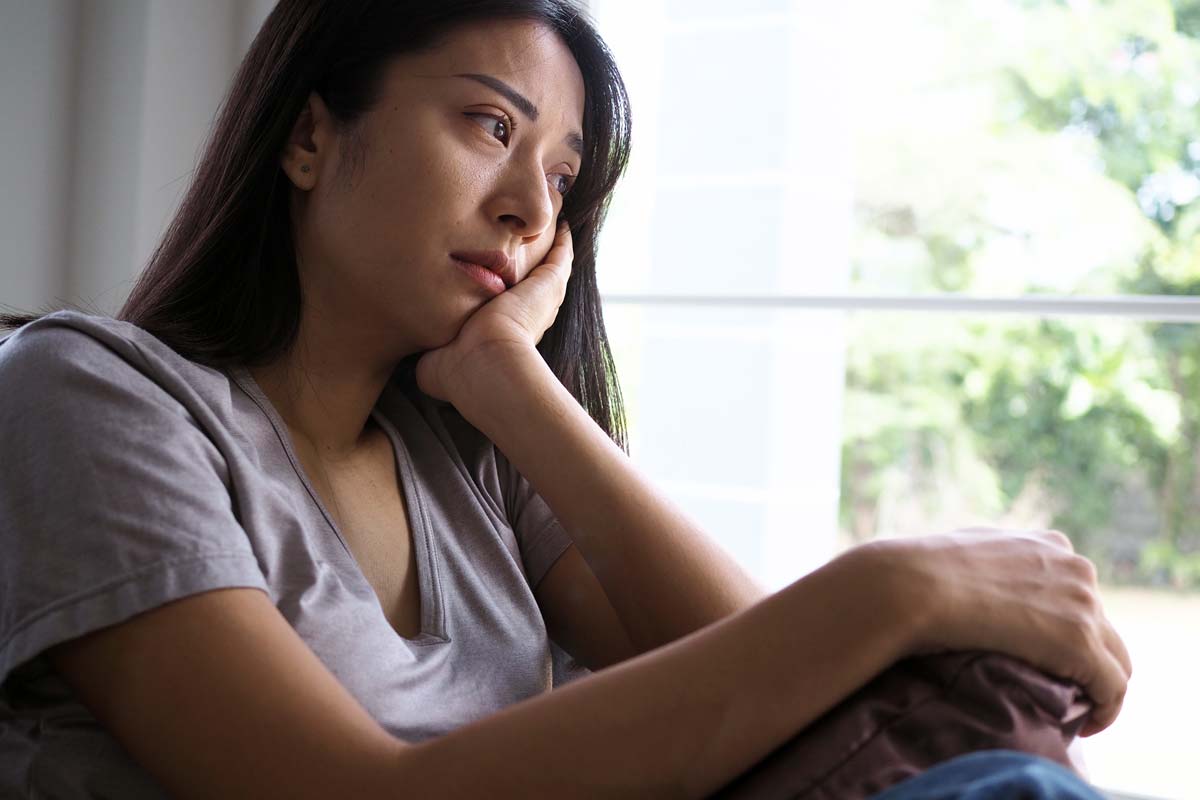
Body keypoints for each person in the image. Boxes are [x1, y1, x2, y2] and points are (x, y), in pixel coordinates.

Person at [0, 1, 1131, 797]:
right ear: (308, 136)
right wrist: (898, 583)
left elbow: (793, 706)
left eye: (561, 176)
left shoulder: (474, 454)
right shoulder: (93, 396)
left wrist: (513, 386)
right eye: (491, 126)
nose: (527, 212)